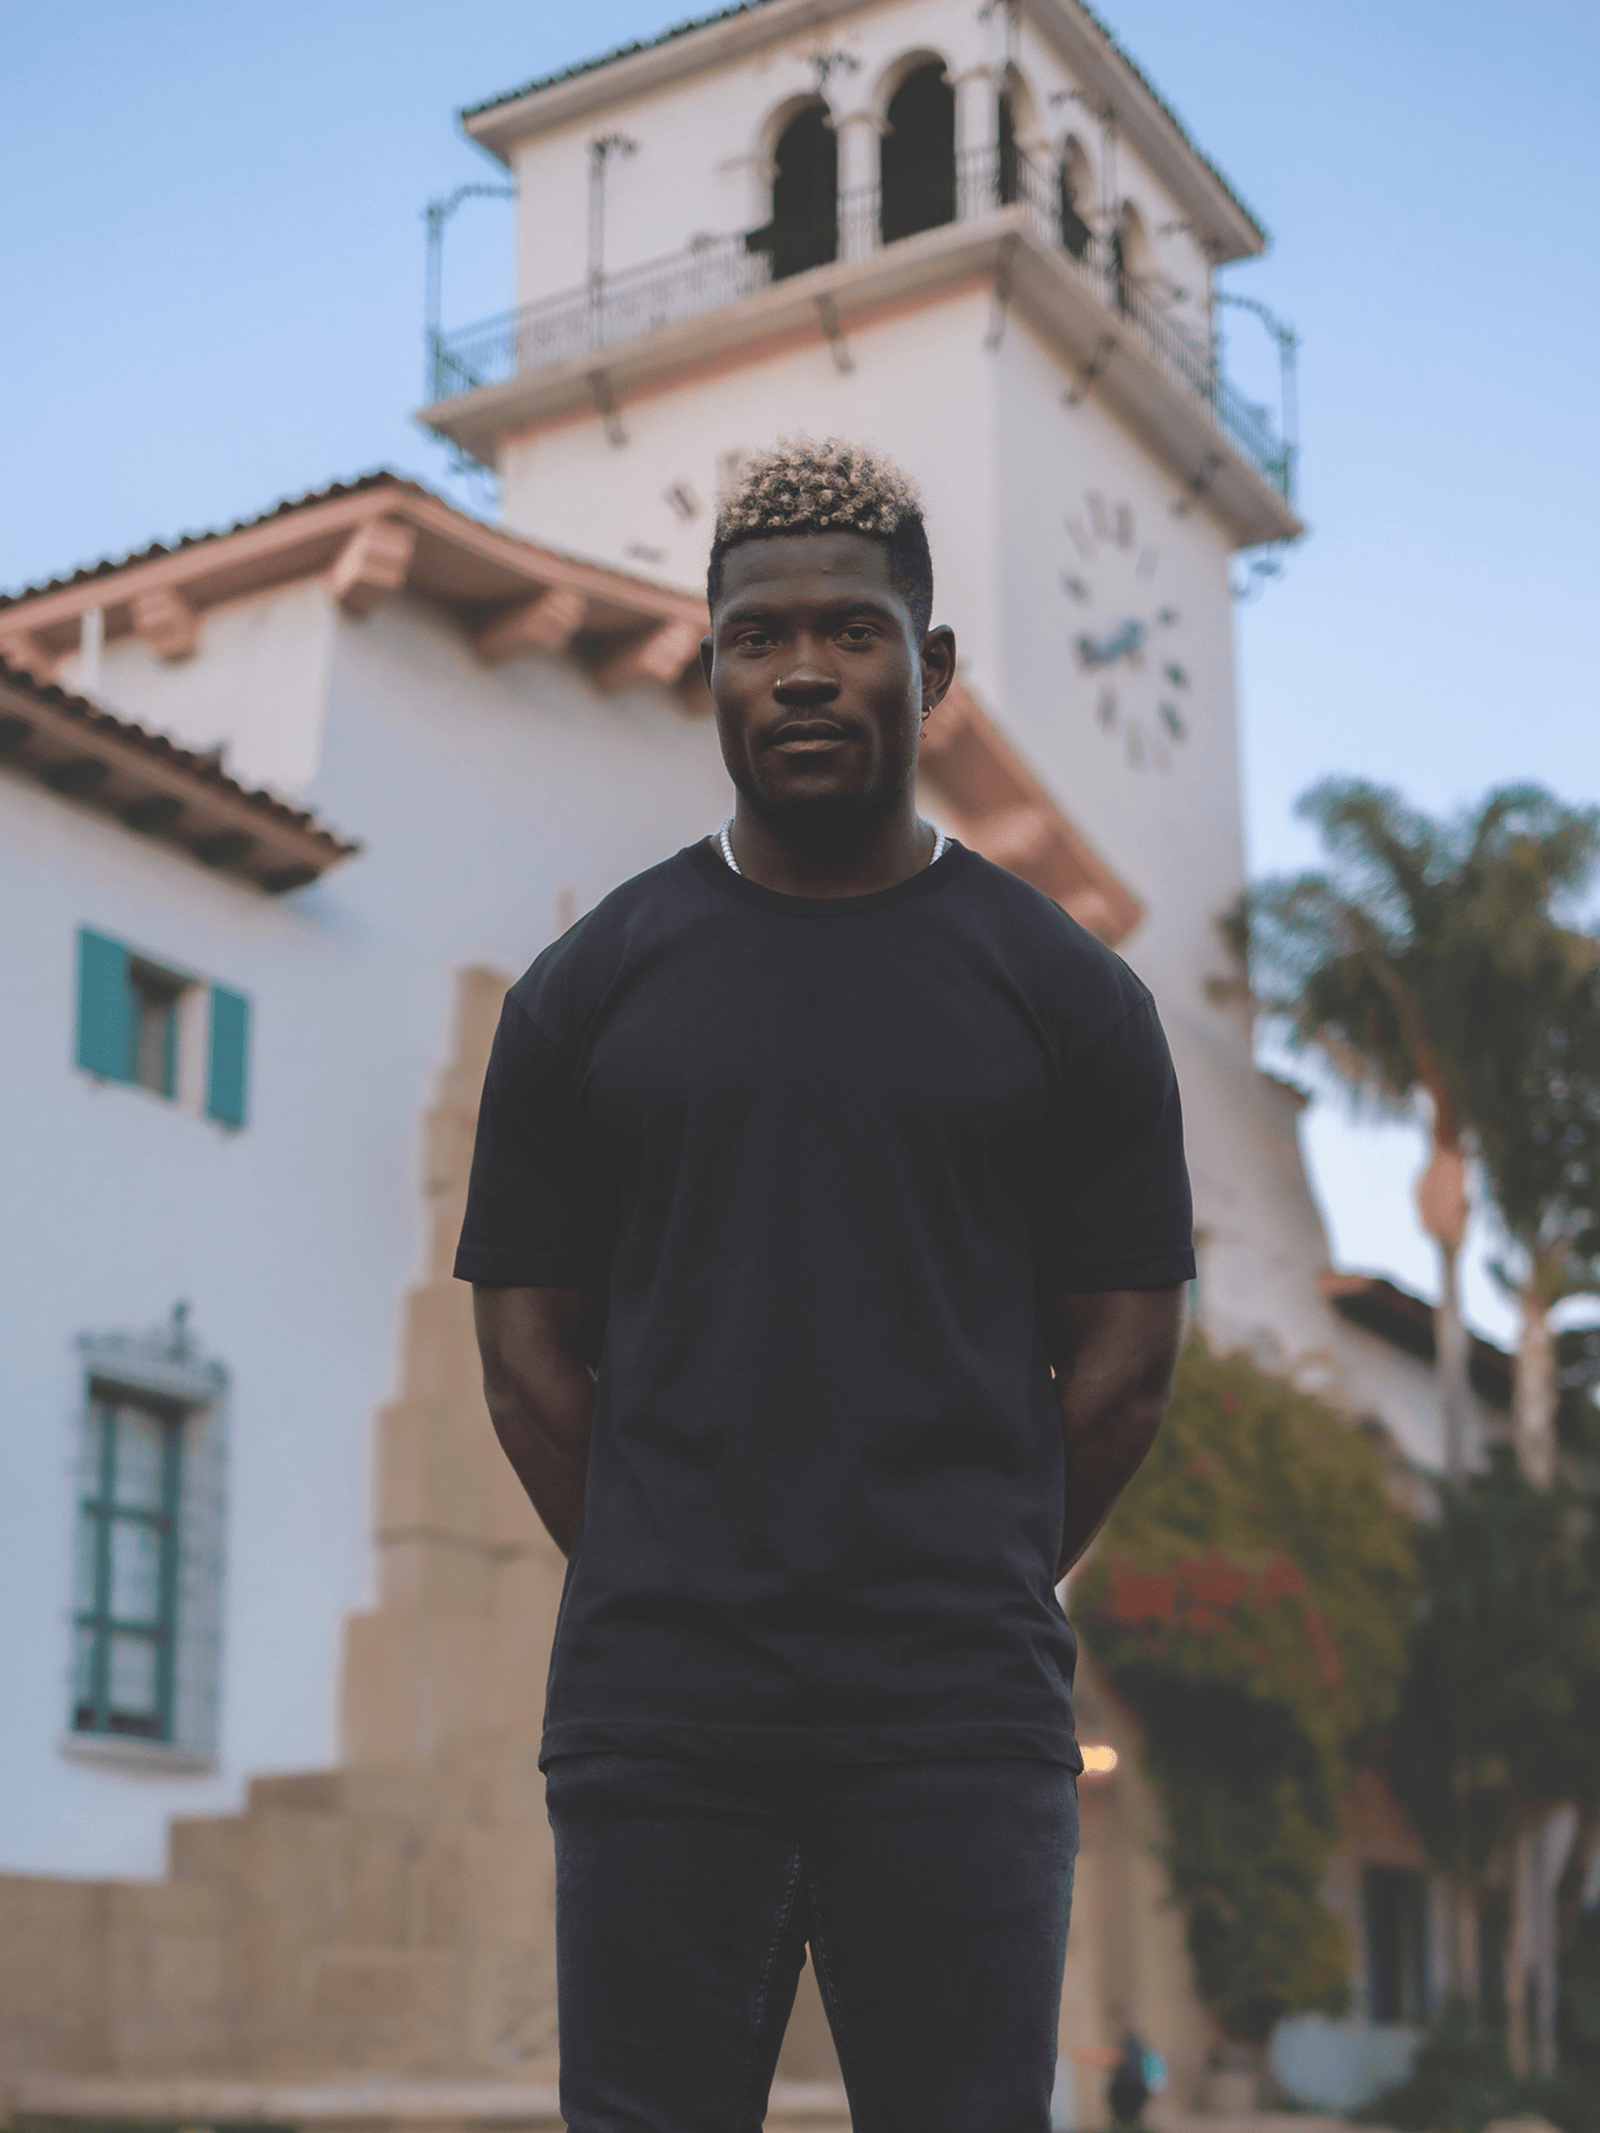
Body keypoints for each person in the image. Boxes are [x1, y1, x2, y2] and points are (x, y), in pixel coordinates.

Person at [456, 437, 1193, 2133]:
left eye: (852, 632)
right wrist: (666, 1563)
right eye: (757, 636)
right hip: (660, 1718)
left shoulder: (1068, 997)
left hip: (959, 1722)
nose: (802, 670)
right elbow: (525, 1361)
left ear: (930, 668)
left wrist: (972, 1570)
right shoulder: (585, 993)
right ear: (711, 670)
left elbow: (1127, 1363)